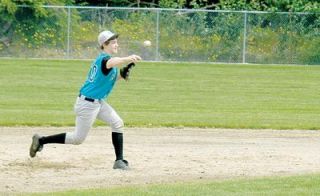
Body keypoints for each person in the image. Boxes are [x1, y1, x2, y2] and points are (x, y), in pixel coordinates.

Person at [29, 30, 142, 170]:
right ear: (104, 45)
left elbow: (106, 78)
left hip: (97, 102)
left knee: (117, 123)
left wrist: (122, 74)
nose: (116, 45)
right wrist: (128, 58)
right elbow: (112, 62)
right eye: (113, 43)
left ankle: (119, 161)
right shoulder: (105, 60)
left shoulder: (107, 64)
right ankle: (41, 140)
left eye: (116, 42)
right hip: (87, 104)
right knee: (77, 139)